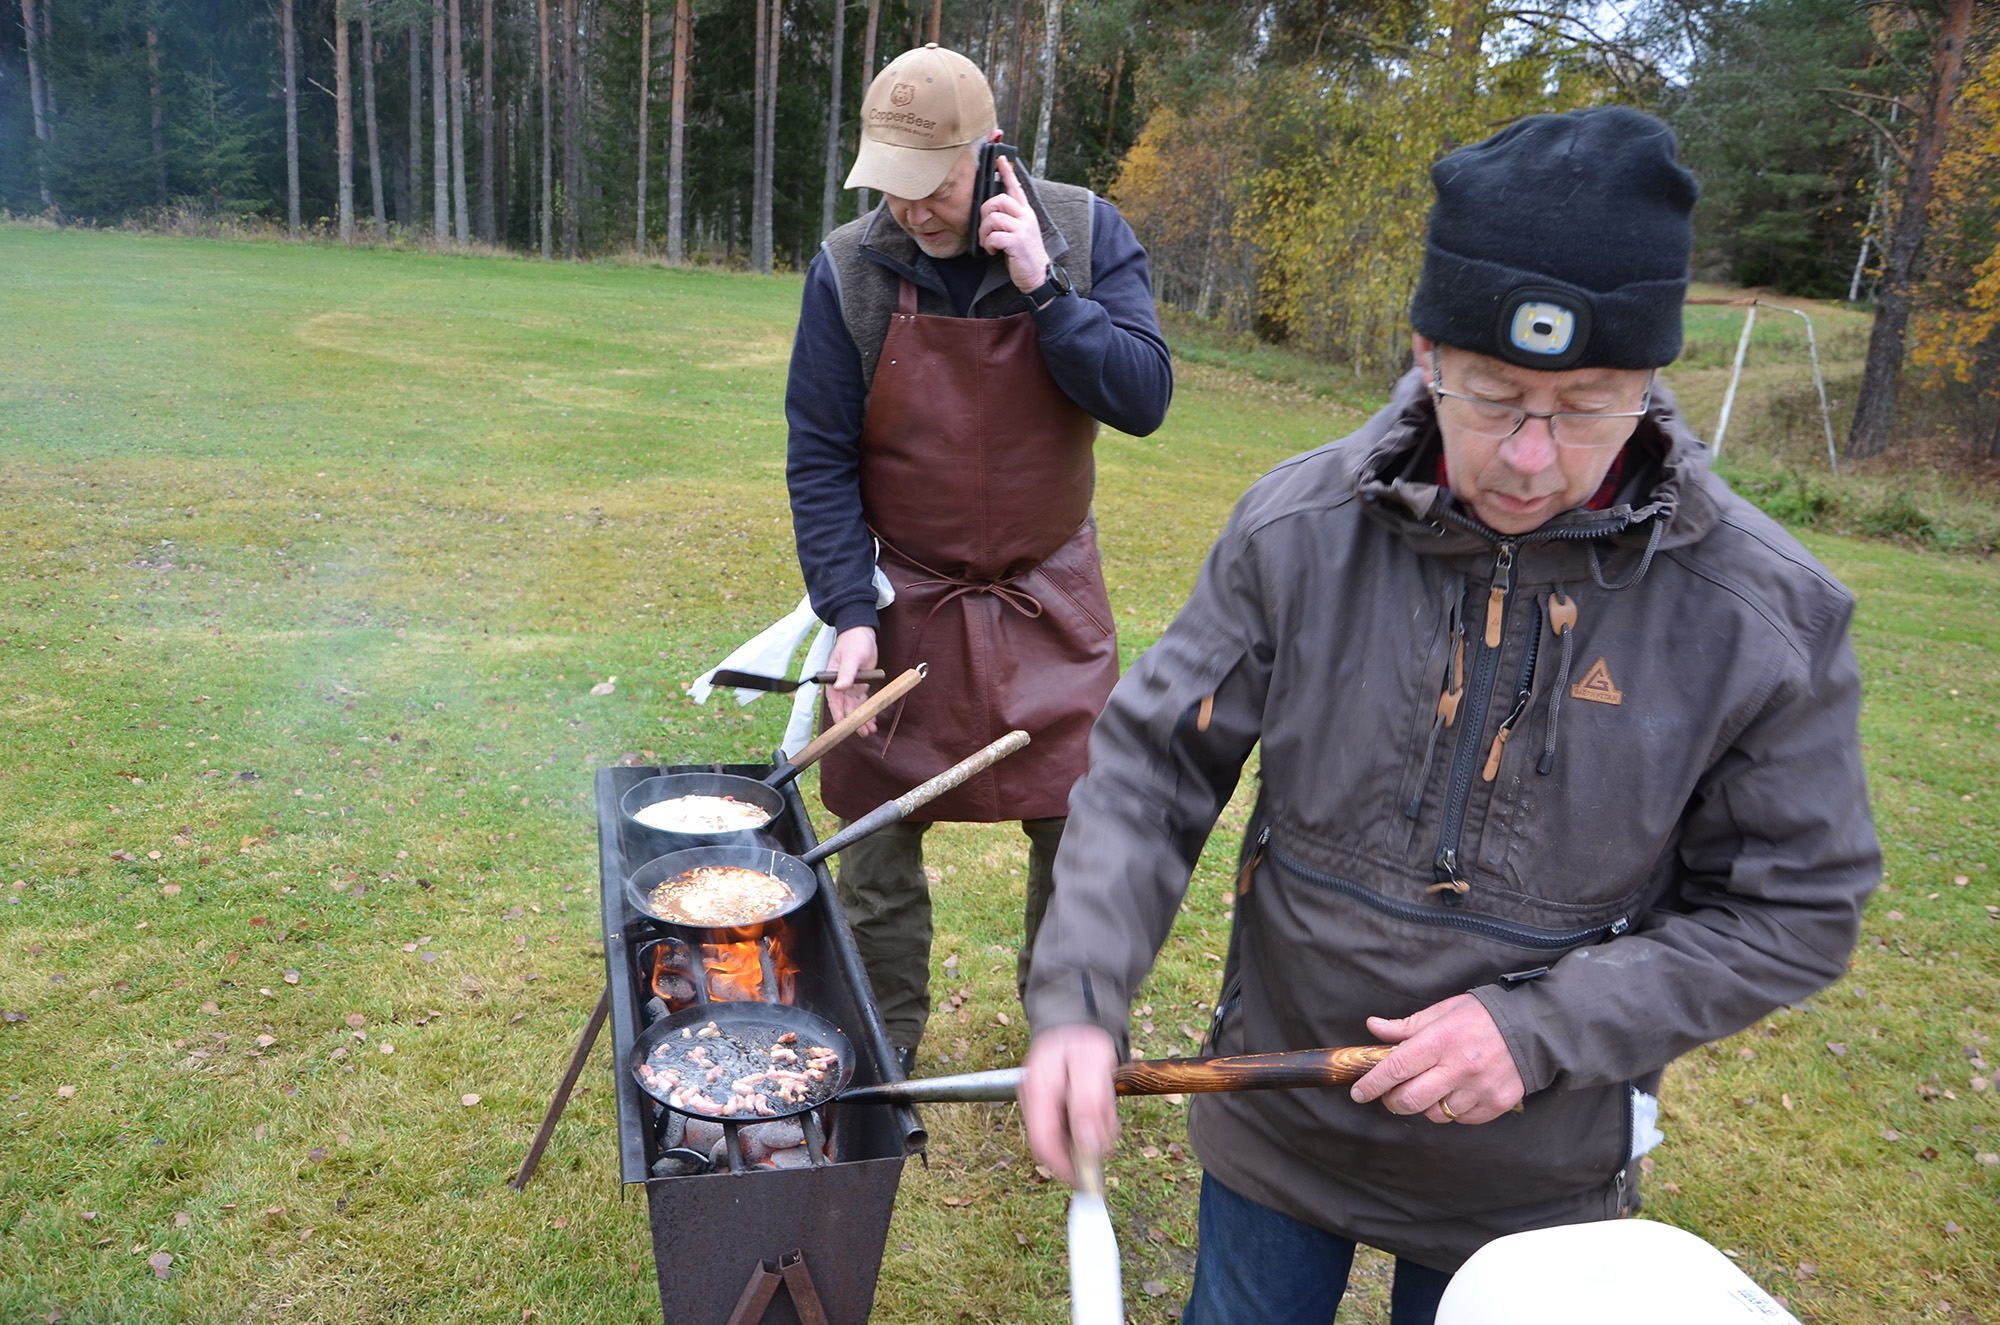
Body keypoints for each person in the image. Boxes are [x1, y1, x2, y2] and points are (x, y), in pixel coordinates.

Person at [1018, 106, 1880, 1324]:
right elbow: (1154, 770)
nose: (1531, 455)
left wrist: (1537, 1030)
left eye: (1586, 405)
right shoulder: (1294, 529)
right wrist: (1077, 996)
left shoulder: (1759, 612)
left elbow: (1793, 908)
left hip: (1532, 1168)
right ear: (1427, 354)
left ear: (1649, 379)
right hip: (1278, 1112)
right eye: (1492, 396)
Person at [784, 43, 1172, 1074]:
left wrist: (1045, 293)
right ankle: (877, 1053)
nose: (910, 209)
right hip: (904, 598)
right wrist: (847, 611)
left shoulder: (1085, 236)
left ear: (989, 152)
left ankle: (1069, 1049)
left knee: (1083, 839)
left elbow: (1141, 397)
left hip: (1050, 599)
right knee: (870, 840)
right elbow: (819, 456)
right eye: (893, 186)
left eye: (933, 185)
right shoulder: (850, 271)